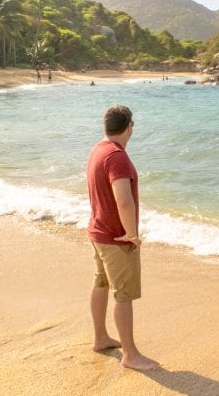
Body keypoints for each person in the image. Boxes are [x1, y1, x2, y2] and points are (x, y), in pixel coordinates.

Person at [86, 105, 160, 371]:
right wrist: (132, 236)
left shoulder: (98, 149)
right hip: (116, 239)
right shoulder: (118, 158)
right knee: (123, 295)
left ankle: (101, 338)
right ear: (129, 127)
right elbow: (124, 201)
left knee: (101, 283)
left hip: (98, 231)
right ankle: (130, 355)